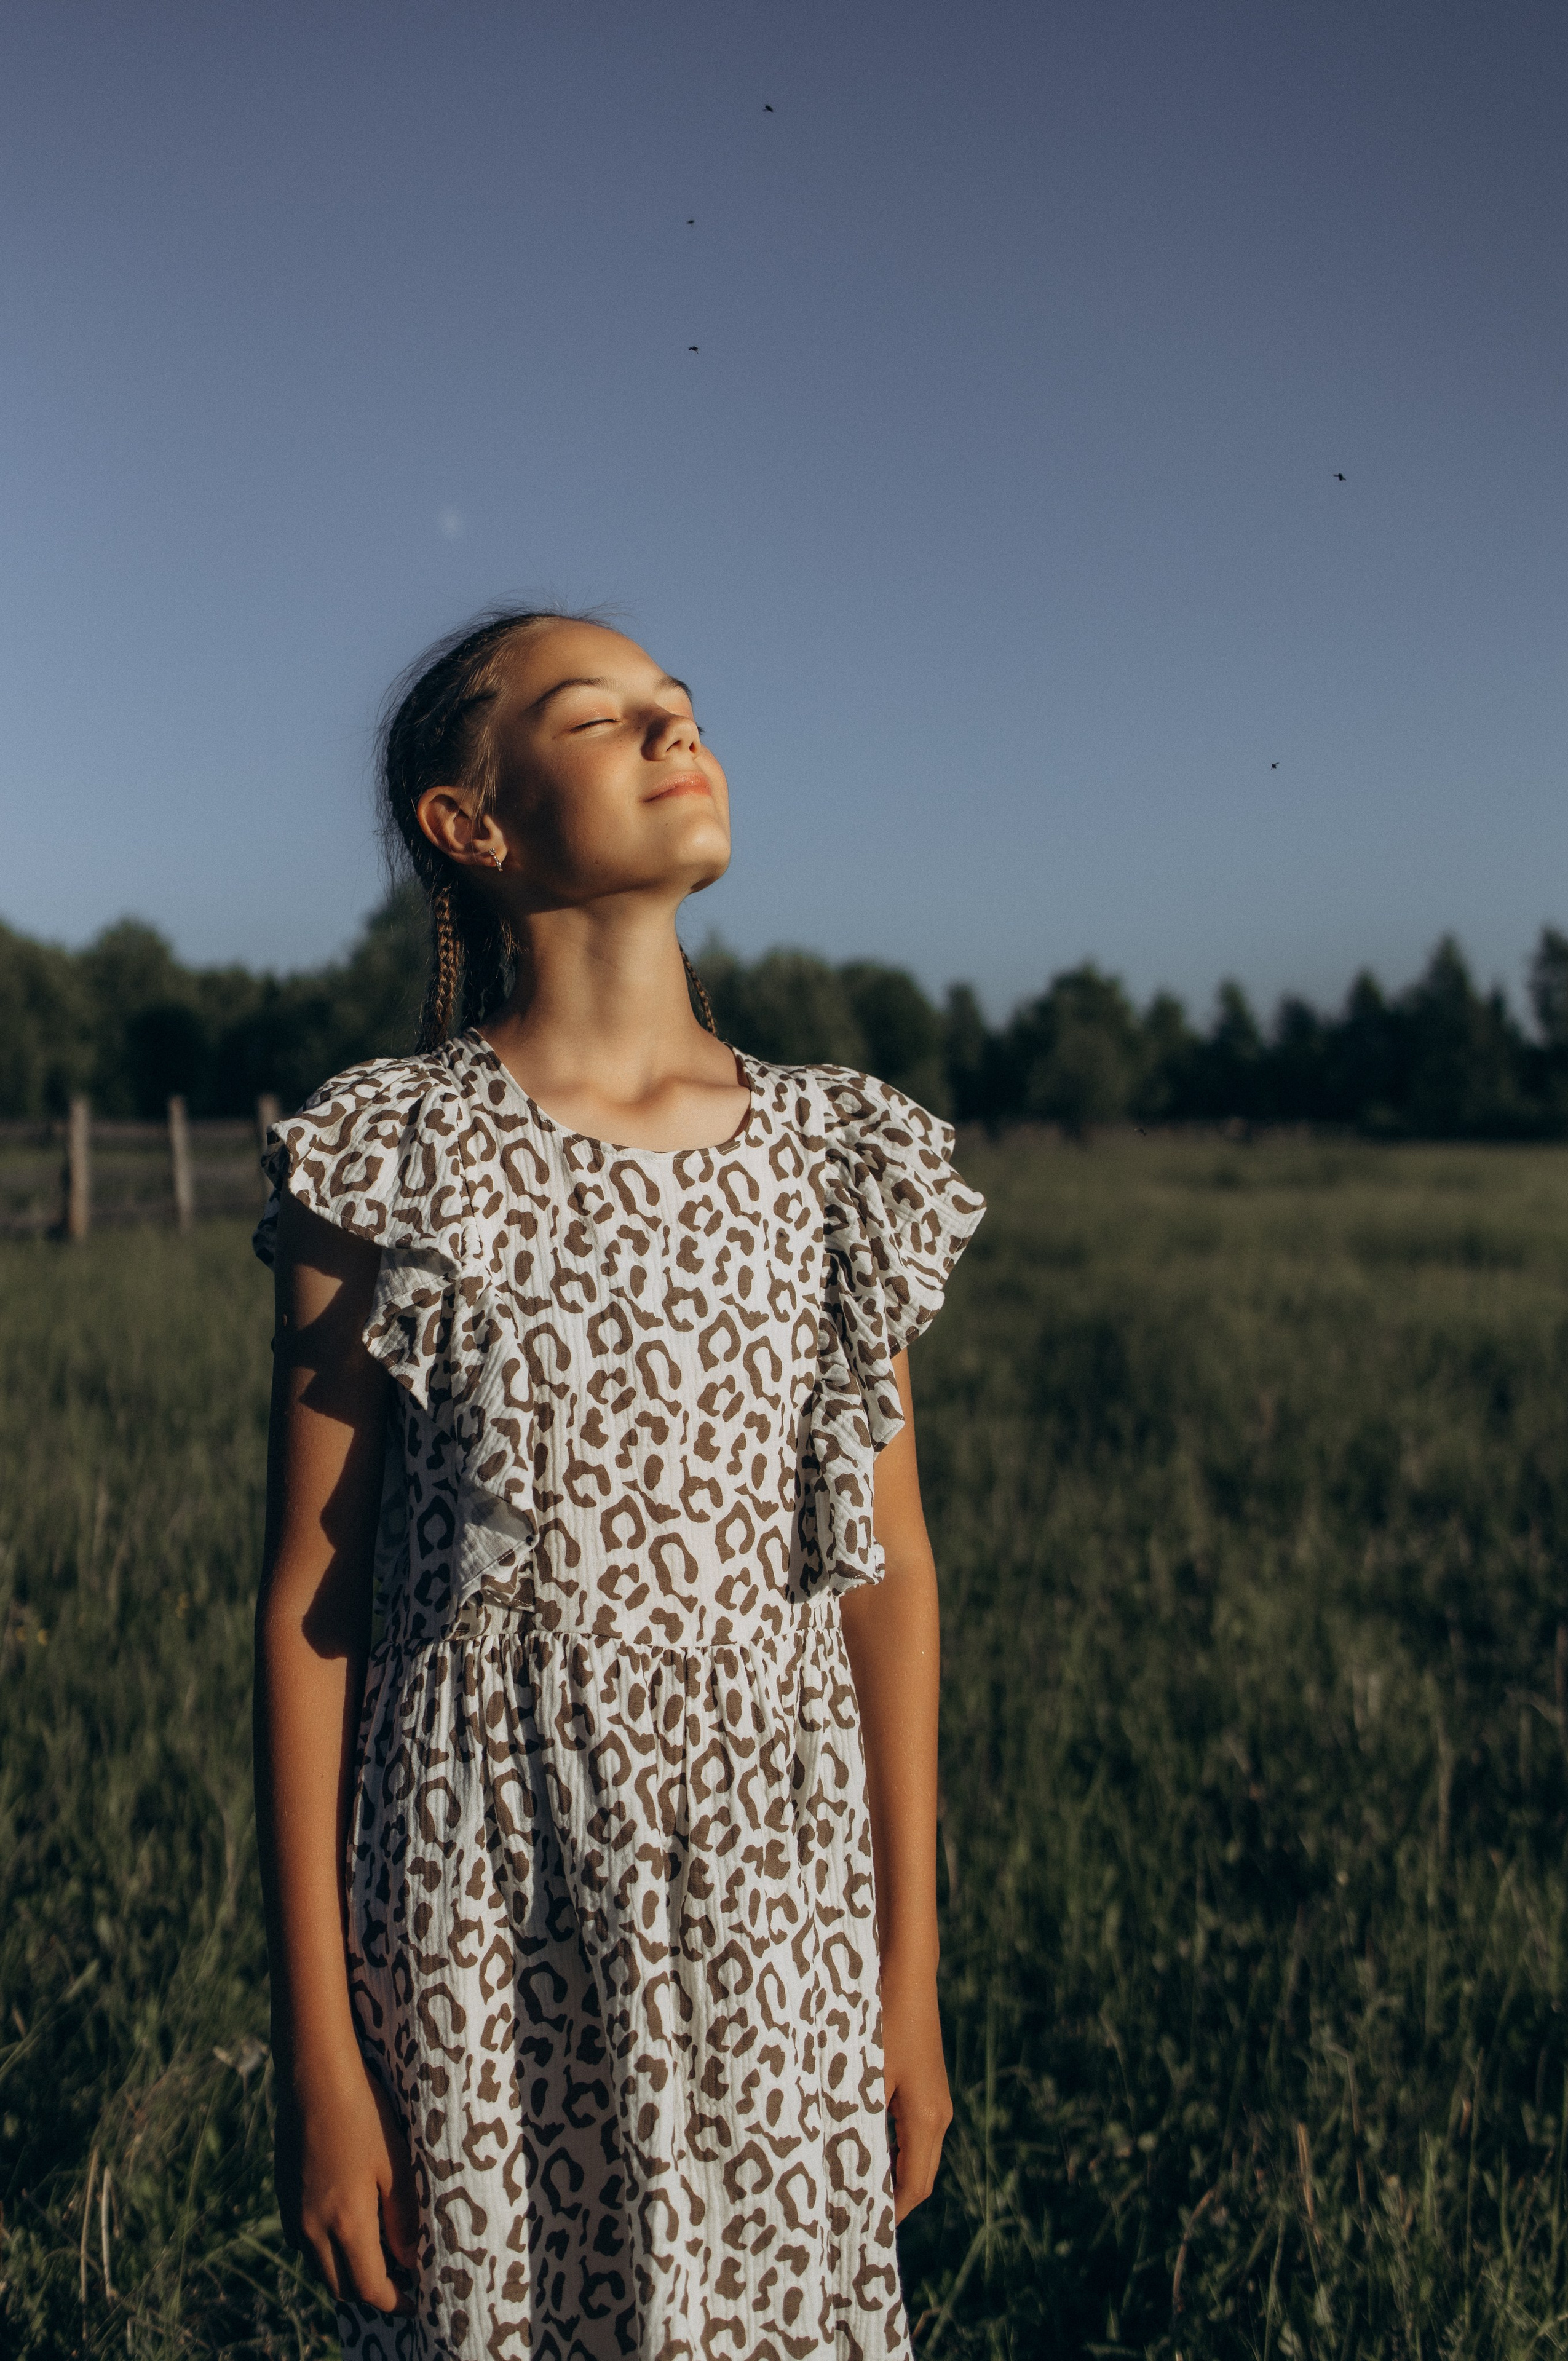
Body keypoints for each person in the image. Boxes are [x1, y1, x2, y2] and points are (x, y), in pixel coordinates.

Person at [252, 609, 986, 2360]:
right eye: (605, 720)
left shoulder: (836, 1154)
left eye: (684, 710)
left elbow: (888, 1573)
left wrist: (913, 1979)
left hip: (776, 1904)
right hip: (475, 1913)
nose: (675, 734)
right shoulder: (392, 1153)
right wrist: (320, 2055)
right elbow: (310, 1605)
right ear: (471, 826)